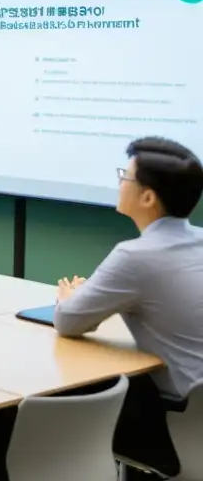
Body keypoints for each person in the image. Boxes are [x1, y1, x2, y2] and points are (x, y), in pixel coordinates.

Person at [54, 137, 203, 477]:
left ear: (148, 197)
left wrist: (69, 298)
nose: (120, 182)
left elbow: (68, 322)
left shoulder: (134, 256)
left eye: (126, 176)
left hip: (174, 423)